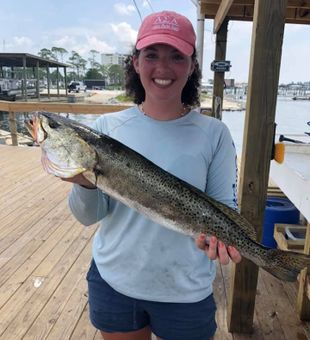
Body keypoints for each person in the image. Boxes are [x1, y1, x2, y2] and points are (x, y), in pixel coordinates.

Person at [65, 10, 241, 340]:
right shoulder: (105, 129)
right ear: (135, 62)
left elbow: (224, 210)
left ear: (191, 66)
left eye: (176, 56)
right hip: (115, 279)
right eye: (151, 55)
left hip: (185, 290)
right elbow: (89, 216)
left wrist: (220, 241)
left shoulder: (214, 134)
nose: (162, 68)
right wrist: (84, 184)